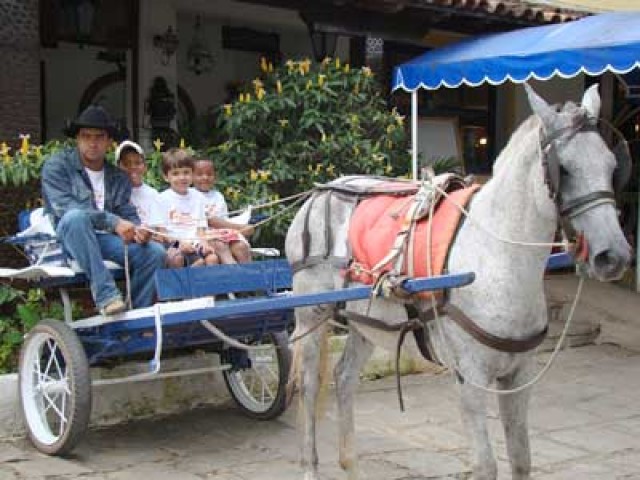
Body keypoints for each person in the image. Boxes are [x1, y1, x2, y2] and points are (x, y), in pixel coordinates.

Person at [41, 105, 166, 315]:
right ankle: (107, 296)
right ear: (77, 139)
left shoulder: (118, 177)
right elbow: (64, 208)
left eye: (99, 137)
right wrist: (114, 222)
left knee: (154, 253)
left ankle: (137, 316)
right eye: (86, 136)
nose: (92, 142)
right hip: (71, 237)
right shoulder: (57, 166)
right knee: (75, 217)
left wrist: (139, 231)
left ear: (109, 141)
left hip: (105, 240)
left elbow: (126, 213)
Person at [153, 149, 217, 268]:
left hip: (195, 243)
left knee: (212, 258)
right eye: (176, 174)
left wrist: (204, 243)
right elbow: (162, 233)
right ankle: (186, 278)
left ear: (192, 174)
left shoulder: (198, 197)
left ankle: (201, 280)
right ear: (166, 177)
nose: (182, 177)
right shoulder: (161, 199)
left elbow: (201, 229)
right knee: (176, 258)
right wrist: (180, 243)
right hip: (174, 244)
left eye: (186, 172)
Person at [192, 158, 253, 264]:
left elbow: (223, 219)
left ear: (215, 177)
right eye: (200, 174)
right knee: (220, 245)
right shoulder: (192, 195)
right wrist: (240, 228)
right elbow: (210, 220)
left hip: (224, 232)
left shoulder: (218, 196)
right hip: (203, 235)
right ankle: (234, 272)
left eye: (209, 174)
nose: (205, 177)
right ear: (192, 177)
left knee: (241, 247)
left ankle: (251, 275)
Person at [115, 140, 161, 226]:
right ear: (118, 167)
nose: (133, 167)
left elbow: (158, 225)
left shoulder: (153, 195)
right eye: (126, 164)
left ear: (145, 166)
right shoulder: (114, 194)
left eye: (137, 163)